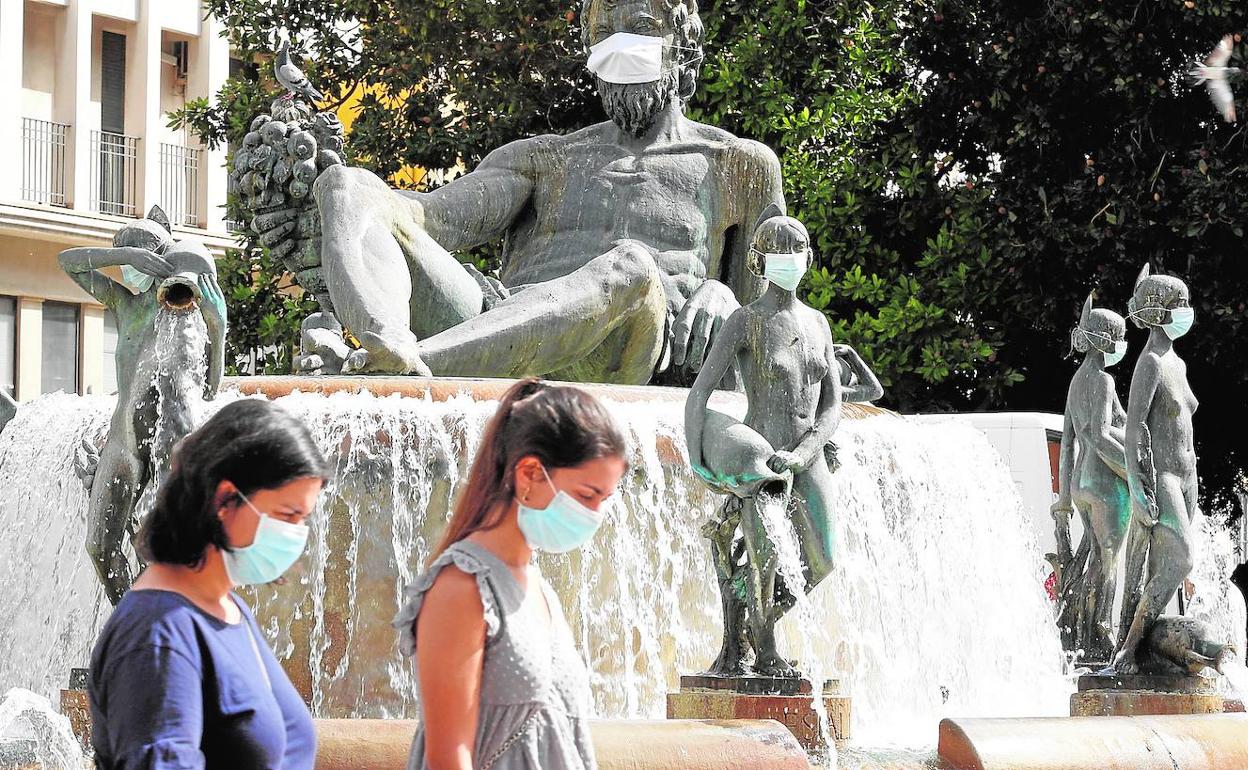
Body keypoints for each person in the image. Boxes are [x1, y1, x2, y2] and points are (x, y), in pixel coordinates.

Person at [289, 0, 783, 385]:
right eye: (602, 35)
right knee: (349, 185)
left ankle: (409, 362)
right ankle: (385, 342)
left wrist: (727, 298)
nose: (618, 47)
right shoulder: (545, 158)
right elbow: (420, 216)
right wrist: (342, 206)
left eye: (639, 28)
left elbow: (773, 323)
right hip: (494, 326)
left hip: (623, 348)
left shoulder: (738, 165)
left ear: (684, 45)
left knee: (631, 264)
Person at [392, 379, 628, 770]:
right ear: (530, 473)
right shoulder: (463, 586)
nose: (595, 514)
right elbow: (450, 758)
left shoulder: (538, 588)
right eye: (587, 495)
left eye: (605, 499)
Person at [89, 399, 328, 769]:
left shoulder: (226, 609)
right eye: (287, 515)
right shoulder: (157, 635)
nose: (295, 535)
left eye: (303, 518)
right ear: (224, 499)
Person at [684, 209, 844, 677]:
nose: (789, 260)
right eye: (779, 252)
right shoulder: (744, 321)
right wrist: (703, 459)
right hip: (762, 457)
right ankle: (767, 649)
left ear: (808, 258)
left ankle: (755, 622)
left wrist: (809, 448)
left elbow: (832, 404)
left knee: (825, 561)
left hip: (806, 454)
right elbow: (701, 393)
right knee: (764, 560)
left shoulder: (818, 324)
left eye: (796, 251)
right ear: (760, 261)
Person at [58, 206, 227, 604]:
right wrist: (124, 256)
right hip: (122, 443)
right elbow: (67, 263)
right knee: (100, 548)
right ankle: (131, 619)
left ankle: (149, 634)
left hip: (168, 448)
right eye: (129, 258)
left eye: (140, 256)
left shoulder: (184, 313)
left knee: (160, 554)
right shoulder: (124, 304)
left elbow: (209, 389)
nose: (131, 272)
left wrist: (217, 327)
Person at [1114, 264, 1200, 674]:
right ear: (1159, 310)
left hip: (1185, 479)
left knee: (1166, 565)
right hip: (1162, 478)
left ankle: (1149, 648)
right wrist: (1136, 485)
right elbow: (1133, 428)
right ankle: (1128, 648)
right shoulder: (1149, 361)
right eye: (1180, 303)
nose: (1187, 310)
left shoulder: (1177, 363)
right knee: (1180, 560)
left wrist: (1195, 486)